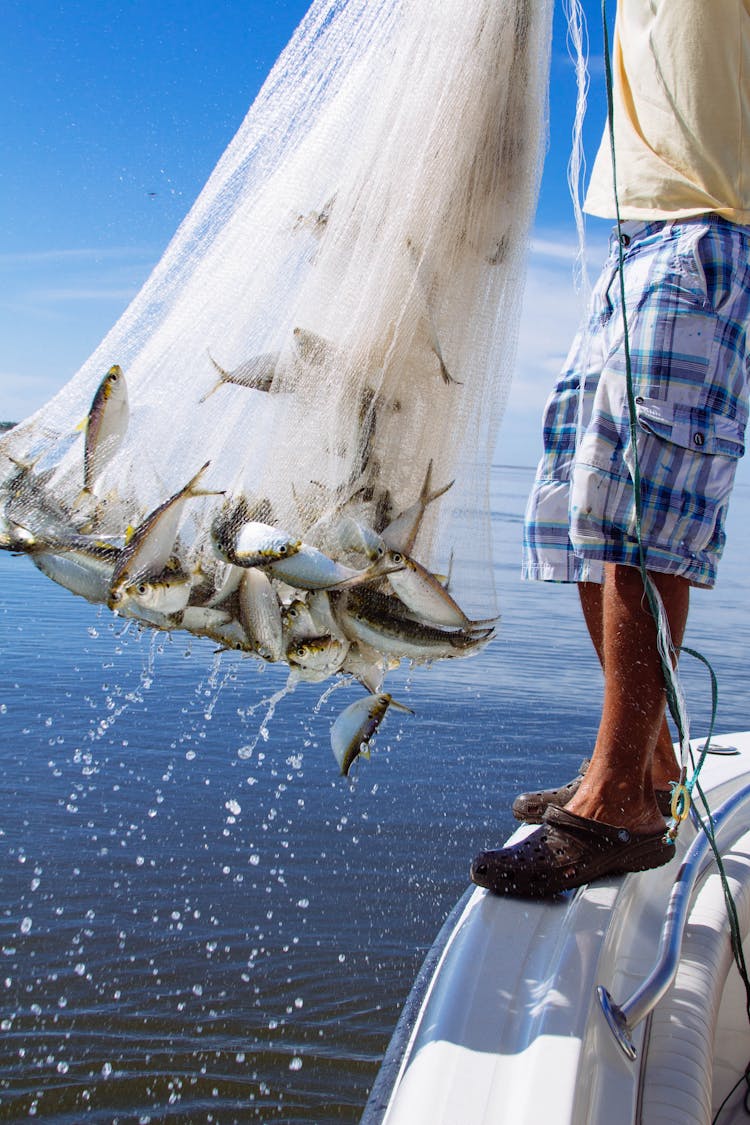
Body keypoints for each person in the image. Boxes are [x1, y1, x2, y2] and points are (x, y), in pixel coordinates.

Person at [471, 0, 750, 898]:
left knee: (638, 518)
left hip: (711, 234)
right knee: (581, 512)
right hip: (649, 241)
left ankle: (616, 800)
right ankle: (651, 763)